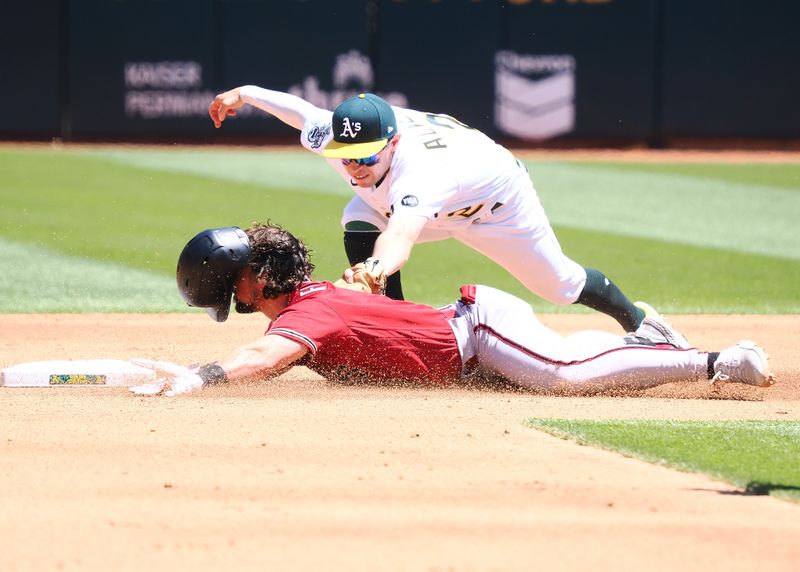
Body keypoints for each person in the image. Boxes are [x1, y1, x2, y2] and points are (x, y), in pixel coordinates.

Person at [207, 87, 686, 343]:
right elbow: (300, 111)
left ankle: (644, 324)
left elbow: (401, 237)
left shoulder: (422, 172)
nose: (353, 164)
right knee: (356, 215)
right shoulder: (337, 140)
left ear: (393, 143)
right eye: (346, 155)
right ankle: (390, 332)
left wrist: (374, 268)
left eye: (366, 156)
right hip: (418, 205)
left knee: (558, 286)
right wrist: (245, 94)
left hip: (496, 205)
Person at [129, 224, 774, 397]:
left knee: (564, 378)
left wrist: (204, 376)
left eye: (231, 287)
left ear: (254, 280)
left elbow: (267, 357)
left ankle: (714, 362)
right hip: (473, 337)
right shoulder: (314, 300)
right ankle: (644, 343)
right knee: (564, 364)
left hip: (475, 333)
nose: (233, 301)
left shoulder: (308, 311)